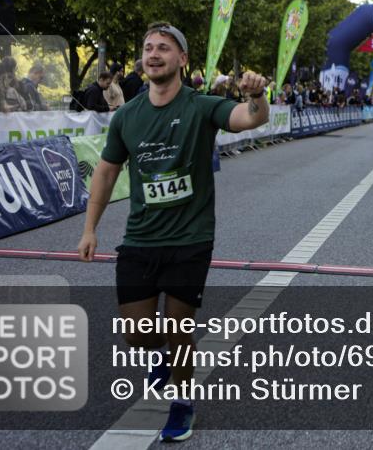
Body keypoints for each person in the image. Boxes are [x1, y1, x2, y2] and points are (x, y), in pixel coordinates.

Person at [77, 22, 269, 441]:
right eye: (148, 48)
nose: (153, 54)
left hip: (190, 238)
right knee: (137, 335)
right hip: (140, 239)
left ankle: (182, 404)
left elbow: (248, 118)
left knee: (180, 330)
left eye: (164, 47)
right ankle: (162, 358)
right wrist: (89, 229)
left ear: (182, 59)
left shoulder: (201, 106)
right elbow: (107, 172)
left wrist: (257, 96)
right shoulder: (127, 115)